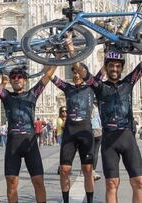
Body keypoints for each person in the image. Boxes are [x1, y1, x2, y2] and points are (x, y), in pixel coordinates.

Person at [71, 24, 142, 202]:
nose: (114, 69)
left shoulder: (128, 83)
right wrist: (71, 49)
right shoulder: (99, 87)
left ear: (121, 68)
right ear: (106, 67)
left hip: (127, 138)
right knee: (111, 184)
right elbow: (80, 70)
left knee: (138, 182)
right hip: (109, 142)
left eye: (117, 66)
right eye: (111, 66)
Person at [0, 51, 58, 202]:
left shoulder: (32, 94)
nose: (16, 79)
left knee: (38, 182)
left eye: (20, 77)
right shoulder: (6, 96)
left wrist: (57, 58)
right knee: (12, 183)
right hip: (13, 146)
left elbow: (47, 76)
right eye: (13, 77)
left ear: (25, 80)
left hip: (30, 145)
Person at [50, 59, 96, 203]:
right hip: (69, 133)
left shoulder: (92, 86)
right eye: (74, 73)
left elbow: (104, 71)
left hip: (86, 132)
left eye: (78, 72)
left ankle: (89, 201)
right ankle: (65, 201)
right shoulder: (68, 88)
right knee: (64, 169)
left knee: (88, 170)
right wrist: (54, 58)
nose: (76, 75)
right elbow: (50, 76)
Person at [91, 100, 102, 181]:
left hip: (88, 131)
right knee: (95, 152)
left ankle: (84, 170)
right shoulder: (98, 110)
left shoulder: (87, 108)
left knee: (86, 151)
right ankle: (93, 171)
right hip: (98, 132)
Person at [56, 106, 66, 175]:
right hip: (61, 136)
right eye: (63, 111)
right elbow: (62, 126)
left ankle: (63, 167)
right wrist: (65, 120)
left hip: (66, 136)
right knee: (63, 152)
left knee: (65, 153)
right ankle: (60, 168)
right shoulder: (59, 119)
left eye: (66, 111)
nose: (64, 112)